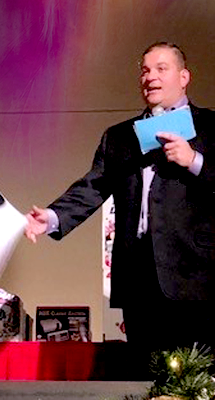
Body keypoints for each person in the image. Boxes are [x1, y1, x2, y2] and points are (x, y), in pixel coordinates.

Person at [25, 42, 215, 377]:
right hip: (138, 278)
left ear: (184, 76)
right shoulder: (119, 137)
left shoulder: (214, 128)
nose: (150, 76)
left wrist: (194, 161)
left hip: (195, 277)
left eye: (161, 68)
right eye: (144, 70)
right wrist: (52, 217)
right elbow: (93, 186)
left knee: (195, 382)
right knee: (145, 378)